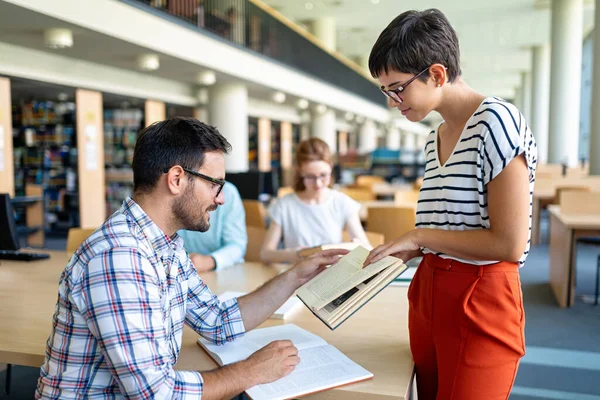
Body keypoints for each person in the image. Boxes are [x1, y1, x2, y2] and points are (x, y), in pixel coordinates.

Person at [35, 117, 347, 399]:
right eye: (215, 184)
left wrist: (295, 275)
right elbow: (155, 394)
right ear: (176, 179)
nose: (221, 198)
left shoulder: (167, 244)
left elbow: (217, 321)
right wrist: (251, 371)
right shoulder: (119, 256)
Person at [363, 9, 537, 400]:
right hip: (429, 290)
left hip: (481, 297)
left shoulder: (497, 121)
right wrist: (408, 247)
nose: (393, 101)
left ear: (437, 75)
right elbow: (452, 227)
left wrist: (419, 235)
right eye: (386, 91)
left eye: (397, 88)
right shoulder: (433, 138)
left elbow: (509, 243)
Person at [260, 138, 371, 264]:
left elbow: (366, 247)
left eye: (323, 175)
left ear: (331, 168)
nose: (318, 183)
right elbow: (266, 253)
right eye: (310, 177)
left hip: (331, 274)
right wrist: (294, 254)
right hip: (298, 275)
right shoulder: (284, 205)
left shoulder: (342, 202)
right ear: (300, 173)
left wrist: (357, 247)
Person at [178, 181, 247, 271]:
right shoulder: (173, 194)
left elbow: (237, 245)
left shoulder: (229, 193)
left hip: (224, 272)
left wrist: (211, 260)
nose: (221, 200)